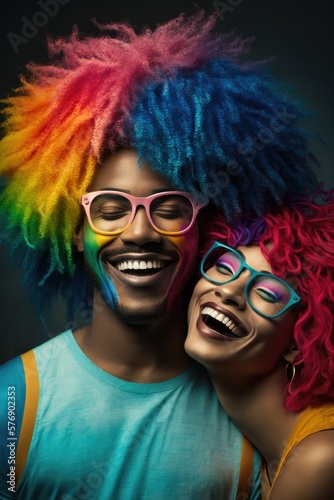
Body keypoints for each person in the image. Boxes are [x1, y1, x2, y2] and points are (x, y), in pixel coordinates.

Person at [0, 11, 319, 499]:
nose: (141, 232)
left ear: (208, 231)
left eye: (170, 209)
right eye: (111, 209)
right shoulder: (11, 404)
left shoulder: (263, 422)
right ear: (72, 228)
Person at [185, 190, 334, 499]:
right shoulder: (262, 449)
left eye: (267, 292)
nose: (228, 292)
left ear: (299, 340)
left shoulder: (319, 459)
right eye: (225, 267)